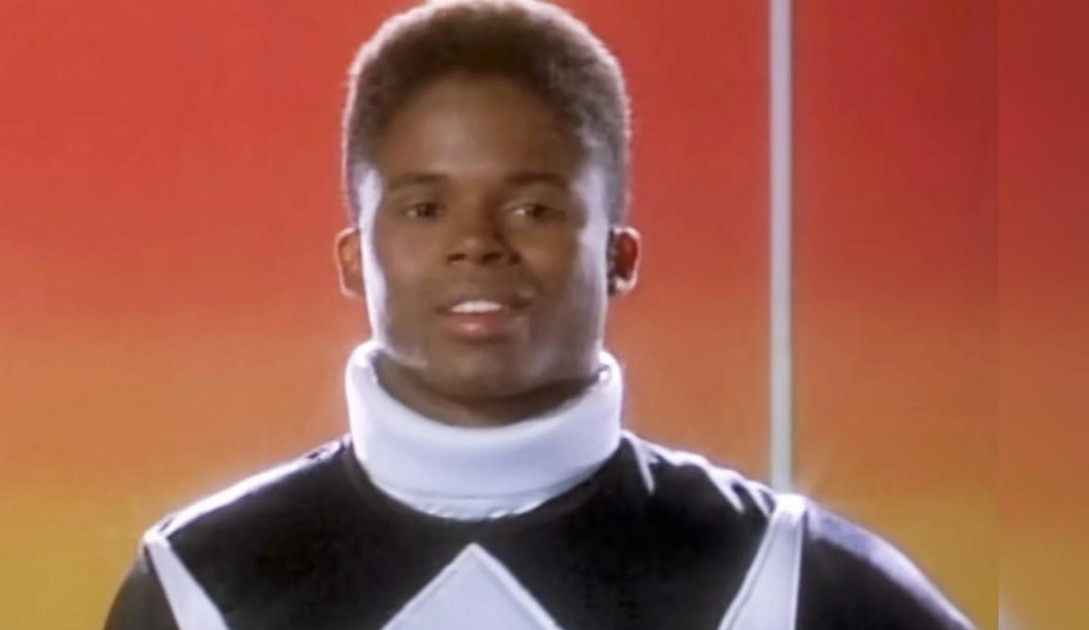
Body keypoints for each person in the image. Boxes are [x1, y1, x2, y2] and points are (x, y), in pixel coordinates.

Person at [104, 1, 974, 628]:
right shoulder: (198, 585)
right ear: (352, 258)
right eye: (424, 209)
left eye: (533, 209)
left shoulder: (788, 576)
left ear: (620, 256)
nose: (477, 244)